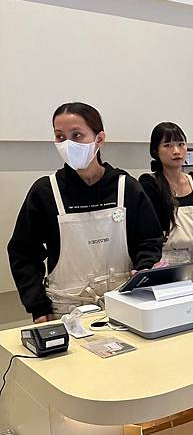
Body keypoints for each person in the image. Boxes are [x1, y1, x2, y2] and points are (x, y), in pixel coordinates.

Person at [7, 103, 164, 321]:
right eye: (60, 137)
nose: (68, 144)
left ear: (99, 139)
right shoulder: (45, 192)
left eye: (77, 135)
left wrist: (143, 270)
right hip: (65, 309)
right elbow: (23, 252)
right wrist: (38, 306)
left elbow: (149, 239)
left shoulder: (126, 187)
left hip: (124, 303)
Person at [139, 122, 193, 286]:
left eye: (181, 144)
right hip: (169, 263)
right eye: (168, 145)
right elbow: (149, 232)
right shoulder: (149, 184)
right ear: (155, 151)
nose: (176, 151)